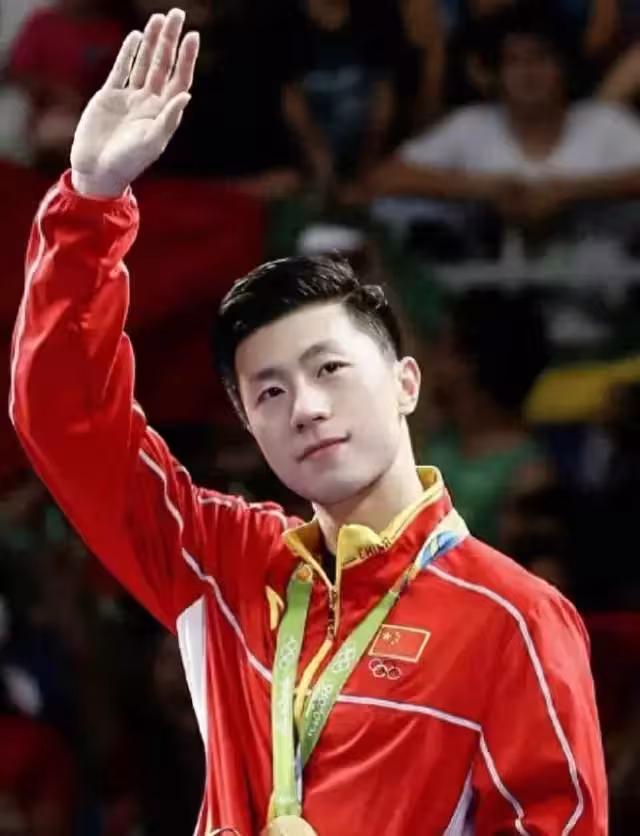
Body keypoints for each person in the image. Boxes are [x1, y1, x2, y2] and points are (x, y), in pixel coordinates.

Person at [9, 8, 608, 836]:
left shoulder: (514, 618)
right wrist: (89, 201)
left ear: (405, 382)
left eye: (330, 369)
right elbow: (63, 418)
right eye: (270, 393)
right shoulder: (222, 568)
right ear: (249, 428)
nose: (308, 407)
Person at [369, 4, 640, 252]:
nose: (528, 73)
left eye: (540, 58)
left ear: (566, 67)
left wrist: (569, 191)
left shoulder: (606, 121)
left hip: (608, 282)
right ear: (494, 74)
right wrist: (486, 189)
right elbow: (384, 178)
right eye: (513, 61)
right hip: (480, 282)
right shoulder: (471, 124)